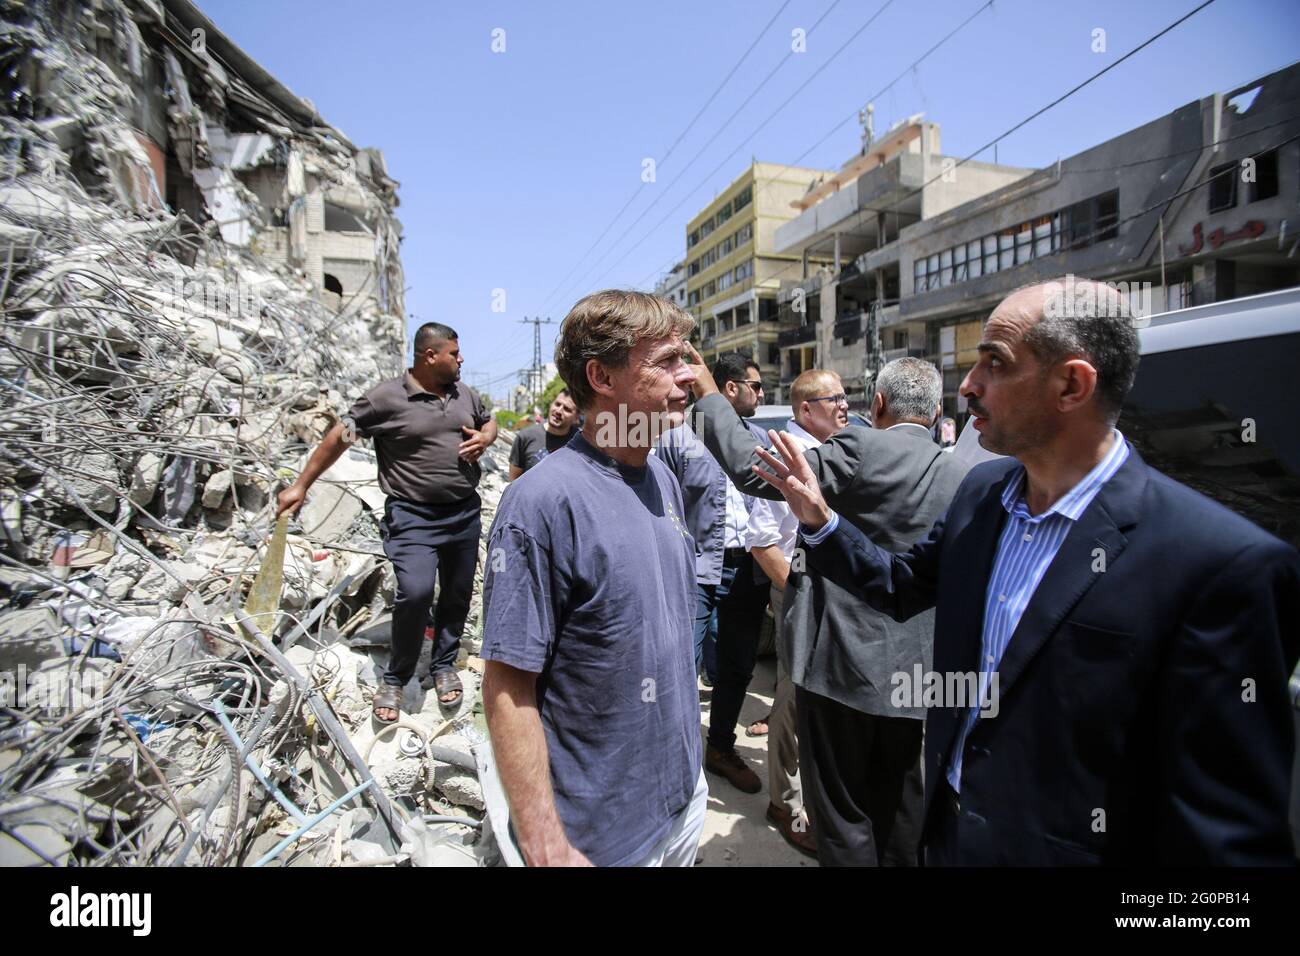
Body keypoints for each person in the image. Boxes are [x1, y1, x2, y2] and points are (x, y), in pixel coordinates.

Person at [754, 277, 1300, 865]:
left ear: (1072, 384)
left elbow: (1227, 846)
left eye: (995, 362)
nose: (967, 385)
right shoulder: (984, 494)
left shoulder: (1222, 564)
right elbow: (900, 585)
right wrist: (821, 520)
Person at [688, 353, 967, 866]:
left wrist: (707, 395)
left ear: (877, 403)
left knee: (842, 819)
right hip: (921, 681)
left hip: (841, 668)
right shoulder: (961, 472)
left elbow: (760, 472)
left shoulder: (860, 448)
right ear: (935, 411)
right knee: (904, 813)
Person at [480, 290, 706, 867]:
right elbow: (508, 686)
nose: (689, 378)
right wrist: (544, 842)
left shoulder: (662, 475)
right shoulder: (540, 503)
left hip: (681, 803)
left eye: (687, 358)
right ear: (602, 376)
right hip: (599, 837)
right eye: (668, 362)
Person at [278, 322, 495, 722]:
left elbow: (488, 420)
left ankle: (444, 665)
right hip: (413, 516)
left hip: (463, 511)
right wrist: (301, 485)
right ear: (430, 356)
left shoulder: (463, 393)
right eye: (454, 353)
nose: (461, 359)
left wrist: (486, 438)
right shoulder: (386, 398)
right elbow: (338, 437)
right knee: (414, 592)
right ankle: (395, 678)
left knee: (458, 592)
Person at [741, 368, 850, 857]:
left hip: (837, 593)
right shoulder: (783, 455)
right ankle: (784, 804)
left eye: (847, 396)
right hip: (799, 592)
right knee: (794, 695)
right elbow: (763, 543)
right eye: (835, 398)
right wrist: (803, 592)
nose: (845, 405)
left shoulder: (842, 451)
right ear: (807, 409)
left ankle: (823, 794)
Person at [655, 352, 770, 795]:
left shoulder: (760, 440)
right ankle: (674, 758)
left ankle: (720, 748)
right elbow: (661, 508)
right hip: (697, 571)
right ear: (729, 389)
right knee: (682, 665)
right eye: (755, 386)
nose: (761, 393)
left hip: (749, 573)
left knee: (738, 667)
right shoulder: (679, 439)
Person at [508, 388, 578, 479]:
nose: (558, 411)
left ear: (576, 417)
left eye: (567, 409)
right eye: (557, 404)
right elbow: (514, 481)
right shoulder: (525, 437)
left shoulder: (581, 443)